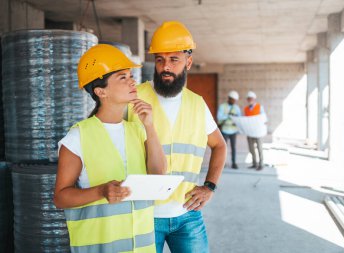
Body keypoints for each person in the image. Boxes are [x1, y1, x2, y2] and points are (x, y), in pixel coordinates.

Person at [54, 44, 166, 253]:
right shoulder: (78, 136)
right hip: (101, 247)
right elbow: (61, 197)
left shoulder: (138, 129)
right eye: (122, 77)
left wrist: (150, 126)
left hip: (142, 247)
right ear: (100, 91)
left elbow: (159, 174)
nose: (133, 81)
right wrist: (100, 191)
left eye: (131, 75)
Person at [128, 21, 227, 253]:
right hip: (143, 214)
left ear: (188, 62)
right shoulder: (134, 98)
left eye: (174, 59)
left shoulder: (197, 104)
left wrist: (210, 187)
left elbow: (220, 146)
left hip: (187, 215)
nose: (165, 67)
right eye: (160, 59)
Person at [217, 90, 241, 169]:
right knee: (224, 148)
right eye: (232, 100)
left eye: (235, 100)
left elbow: (239, 118)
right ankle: (223, 163)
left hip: (233, 131)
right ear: (229, 98)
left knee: (233, 147)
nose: (234, 101)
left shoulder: (236, 108)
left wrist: (236, 118)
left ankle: (234, 163)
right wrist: (228, 116)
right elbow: (219, 117)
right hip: (225, 130)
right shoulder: (222, 106)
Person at [244, 91, 266, 170]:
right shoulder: (246, 109)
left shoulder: (260, 107)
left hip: (258, 132)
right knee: (251, 148)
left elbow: (264, 118)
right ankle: (254, 163)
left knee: (259, 148)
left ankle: (261, 164)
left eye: (251, 98)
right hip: (249, 131)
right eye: (248, 98)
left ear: (254, 99)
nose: (250, 100)